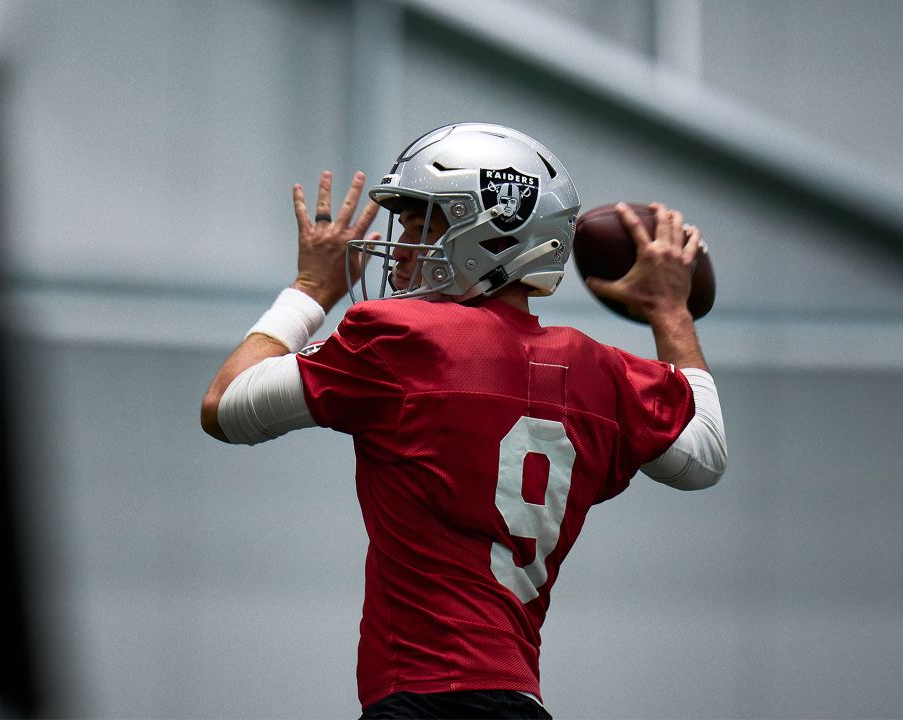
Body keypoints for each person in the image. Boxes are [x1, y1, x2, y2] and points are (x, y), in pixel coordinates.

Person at [200, 123, 727, 719]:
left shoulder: (403, 339)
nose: (401, 247)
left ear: (495, 228)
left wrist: (309, 290)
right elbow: (704, 453)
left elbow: (226, 407)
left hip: (420, 700)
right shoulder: (601, 372)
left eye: (423, 223)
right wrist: (671, 311)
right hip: (518, 704)